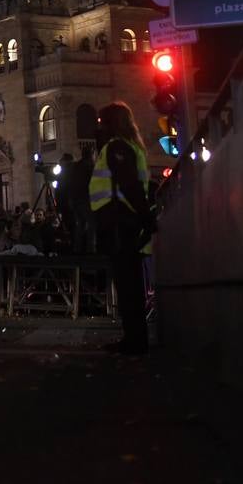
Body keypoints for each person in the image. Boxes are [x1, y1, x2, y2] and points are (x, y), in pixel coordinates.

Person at [89, 101, 155, 355]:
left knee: (128, 285)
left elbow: (129, 185)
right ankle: (135, 338)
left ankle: (135, 341)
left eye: (100, 122)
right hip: (123, 221)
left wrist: (144, 217)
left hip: (120, 221)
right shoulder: (126, 147)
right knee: (130, 283)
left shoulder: (117, 148)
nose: (97, 126)